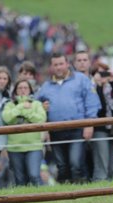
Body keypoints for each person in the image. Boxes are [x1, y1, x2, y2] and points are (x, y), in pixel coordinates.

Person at [36, 52, 100, 183]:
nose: (58, 67)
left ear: (67, 64)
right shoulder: (46, 86)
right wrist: (41, 107)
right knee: (61, 166)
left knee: (76, 163)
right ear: (51, 67)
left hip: (77, 129)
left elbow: (92, 102)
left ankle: (81, 190)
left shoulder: (81, 79)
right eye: (55, 65)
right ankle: (65, 191)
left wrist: (90, 124)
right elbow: (36, 104)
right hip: (55, 131)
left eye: (61, 64)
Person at [2, 79, 47, 186]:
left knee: (34, 176)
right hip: (14, 147)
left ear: (30, 90)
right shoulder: (9, 105)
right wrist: (21, 106)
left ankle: (42, 196)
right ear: (15, 91)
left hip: (34, 146)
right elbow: (7, 118)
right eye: (20, 88)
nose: (23, 90)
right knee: (20, 180)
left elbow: (41, 119)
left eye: (25, 88)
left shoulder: (37, 104)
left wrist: (25, 113)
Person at [91, 63, 113, 180]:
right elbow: (100, 108)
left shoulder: (112, 87)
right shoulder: (91, 87)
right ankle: (99, 183)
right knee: (102, 161)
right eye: (100, 73)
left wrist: (112, 83)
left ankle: (112, 184)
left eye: (105, 72)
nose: (103, 75)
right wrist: (99, 86)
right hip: (100, 127)